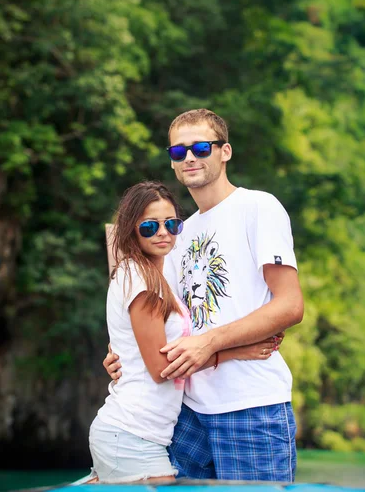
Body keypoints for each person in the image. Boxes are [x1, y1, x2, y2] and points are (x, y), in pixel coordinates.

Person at [104, 109, 304, 481]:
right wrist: (123, 355)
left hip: (251, 406)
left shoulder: (257, 207)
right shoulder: (176, 234)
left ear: (224, 151)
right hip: (185, 411)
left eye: (200, 147)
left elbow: (290, 305)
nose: (190, 158)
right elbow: (161, 318)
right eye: (178, 152)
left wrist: (209, 342)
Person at [88, 180, 280, 484]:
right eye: (149, 226)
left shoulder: (148, 273)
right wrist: (236, 351)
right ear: (131, 229)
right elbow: (162, 369)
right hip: (131, 434)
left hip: (140, 433)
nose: (163, 233)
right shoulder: (143, 281)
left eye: (172, 224)